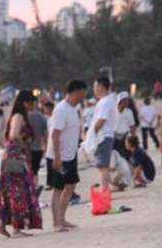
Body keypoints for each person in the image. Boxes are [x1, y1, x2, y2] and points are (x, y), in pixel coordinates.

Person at [0, 90, 42, 238]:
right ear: (25, 103)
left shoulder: (15, 116)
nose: (33, 106)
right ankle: (16, 229)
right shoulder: (19, 116)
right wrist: (23, 148)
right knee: (17, 192)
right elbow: (14, 135)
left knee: (10, 191)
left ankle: (2, 225)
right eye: (32, 102)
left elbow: (7, 137)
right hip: (15, 157)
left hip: (10, 156)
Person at [47, 80, 87, 232]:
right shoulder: (61, 109)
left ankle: (62, 218)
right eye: (83, 92)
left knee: (70, 186)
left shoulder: (74, 109)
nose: (84, 95)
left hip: (70, 155)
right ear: (76, 91)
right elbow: (55, 135)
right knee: (58, 188)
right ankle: (56, 223)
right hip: (59, 156)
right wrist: (57, 158)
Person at [89, 77, 116, 192]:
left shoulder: (105, 102)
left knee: (103, 167)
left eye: (95, 86)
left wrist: (91, 134)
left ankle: (103, 192)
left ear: (101, 86)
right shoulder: (106, 101)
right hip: (105, 136)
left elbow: (101, 120)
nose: (94, 89)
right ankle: (105, 190)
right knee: (102, 166)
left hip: (103, 136)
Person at [28, 100, 49, 190]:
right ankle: (36, 185)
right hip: (39, 147)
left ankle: (32, 186)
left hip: (29, 147)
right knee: (35, 170)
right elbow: (45, 134)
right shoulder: (42, 117)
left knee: (29, 170)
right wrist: (46, 146)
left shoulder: (28, 116)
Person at [113, 92, 137, 157]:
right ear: (120, 101)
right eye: (125, 101)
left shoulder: (129, 112)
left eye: (127, 101)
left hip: (125, 135)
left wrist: (133, 135)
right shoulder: (113, 111)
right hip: (115, 135)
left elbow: (132, 126)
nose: (126, 103)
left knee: (127, 154)